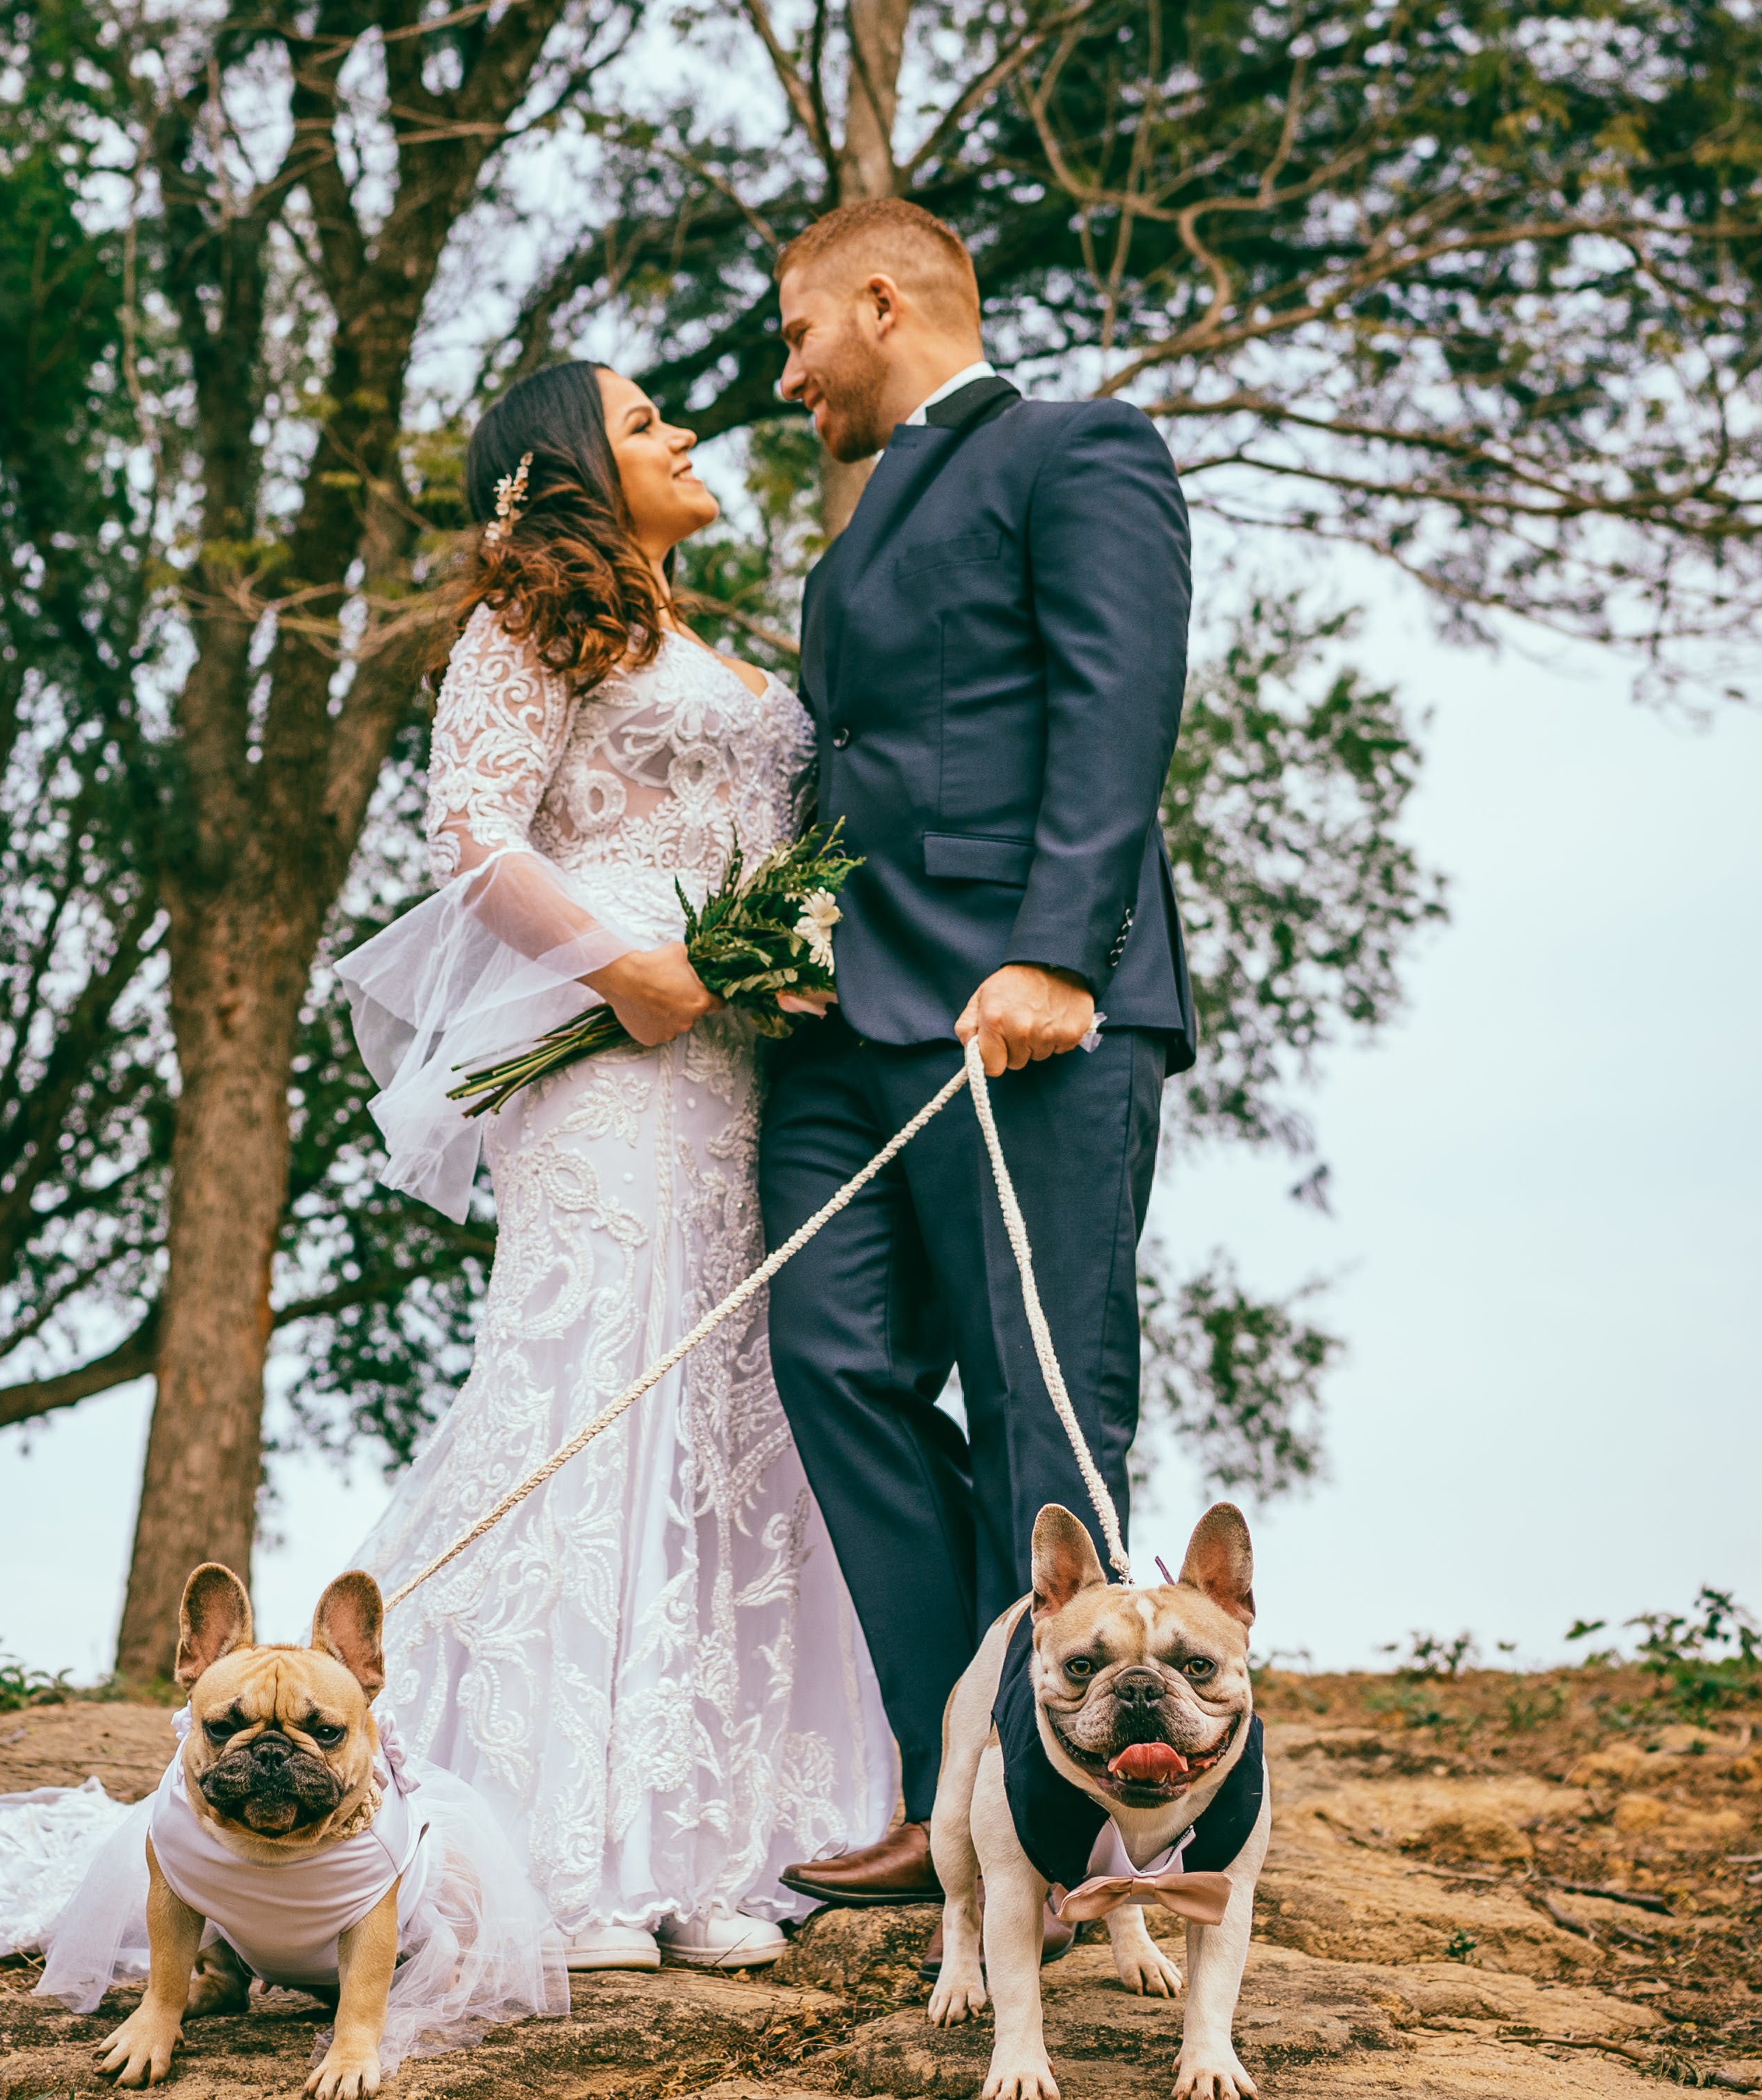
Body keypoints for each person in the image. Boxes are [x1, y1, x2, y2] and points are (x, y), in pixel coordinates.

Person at [339, 359, 896, 1973]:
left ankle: (707, 1842)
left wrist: (779, 959)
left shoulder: (714, 637)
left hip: (739, 1075)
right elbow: (476, 834)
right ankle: (544, 1842)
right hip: (609, 1069)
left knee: (731, 1412)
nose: (687, 436)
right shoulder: (523, 625)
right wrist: (622, 967)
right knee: (594, 1391)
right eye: (650, 422)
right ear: (574, 464)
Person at [758, 200, 1196, 1908]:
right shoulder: (858, 528)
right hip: (847, 1030)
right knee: (831, 1355)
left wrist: (1057, 952)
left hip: (1036, 1016)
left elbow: (1117, 695)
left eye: (799, 332)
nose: (788, 373)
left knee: (1041, 1396)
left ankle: (1066, 1813)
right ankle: (953, 1763)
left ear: (883, 299)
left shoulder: (1081, 448)